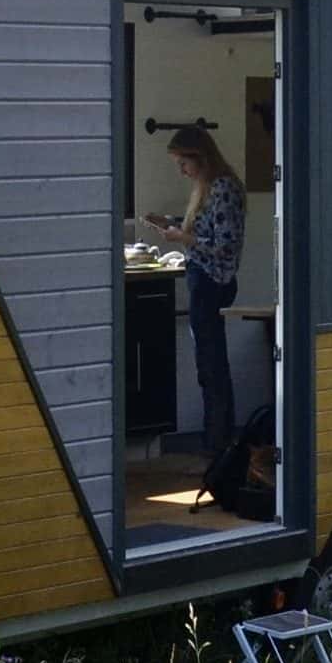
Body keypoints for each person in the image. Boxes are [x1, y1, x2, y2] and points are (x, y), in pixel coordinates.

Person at [142, 126, 245, 455]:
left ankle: (218, 446)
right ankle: (217, 443)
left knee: (211, 367)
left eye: (183, 163)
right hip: (203, 278)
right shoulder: (206, 187)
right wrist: (169, 222)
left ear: (199, 157)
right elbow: (203, 227)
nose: (181, 170)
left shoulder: (223, 188)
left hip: (213, 282)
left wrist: (180, 238)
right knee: (209, 365)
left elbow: (224, 246)